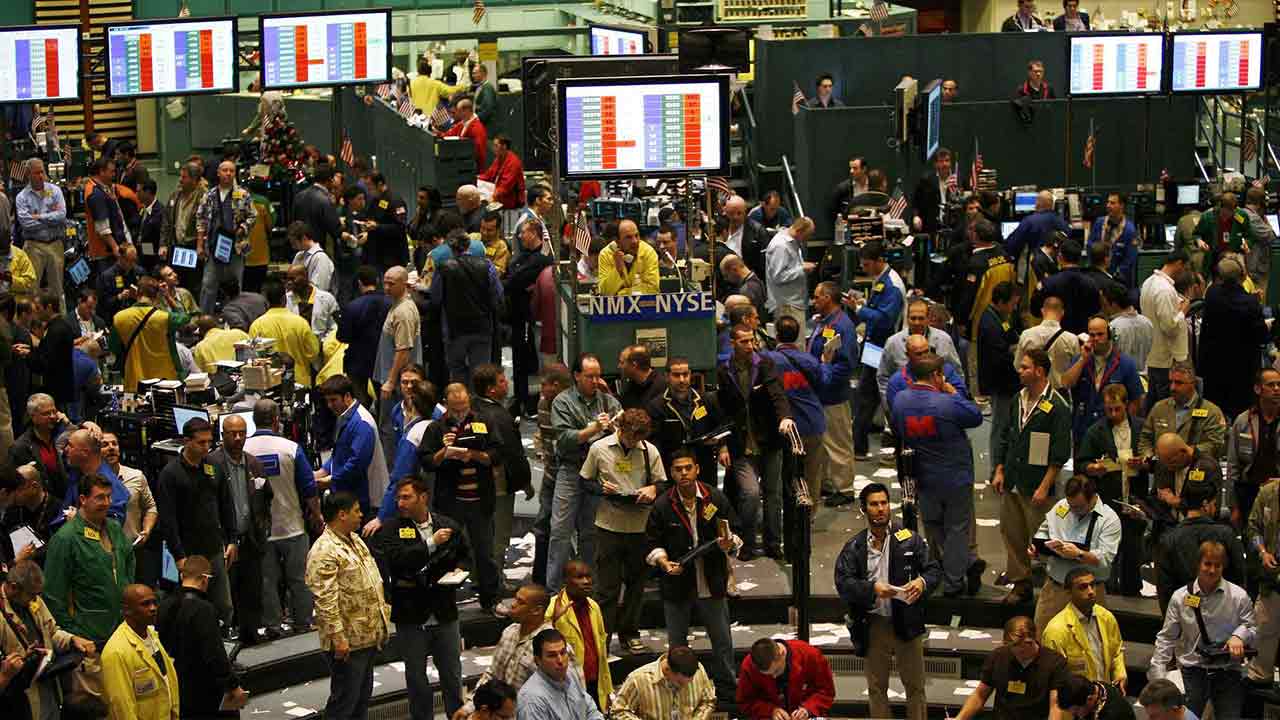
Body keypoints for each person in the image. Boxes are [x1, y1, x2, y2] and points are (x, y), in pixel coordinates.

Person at [834, 482, 940, 719]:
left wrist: (922, 582)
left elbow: (933, 570)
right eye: (874, 504)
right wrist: (872, 588)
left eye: (884, 503)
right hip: (874, 624)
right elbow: (844, 583)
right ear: (864, 509)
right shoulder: (855, 546)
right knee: (876, 688)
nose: (881, 508)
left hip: (907, 619)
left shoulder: (909, 539)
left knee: (915, 686)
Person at [645, 449, 741, 698]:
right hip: (677, 581)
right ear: (671, 473)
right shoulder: (663, 505)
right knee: (677, 643)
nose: (684, 473)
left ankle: (727, 687)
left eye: (688, 468)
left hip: (711, 578)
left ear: (697, 469)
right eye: (678, 469)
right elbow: (652, 542)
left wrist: (729, 543)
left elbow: (735, 531)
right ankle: (678, 690)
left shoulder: (715, 498)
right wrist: (663, 562)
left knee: (722, 639)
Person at [372, 477, 468, 719]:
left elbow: (466, 556)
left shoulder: (449, 525)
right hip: (411, 615)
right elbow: (399, 560)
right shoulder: (391, 529)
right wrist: (431, 543)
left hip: (444, 612)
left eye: (406, 497)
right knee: (416, 679)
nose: (400, 503)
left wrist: (460, 570)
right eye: (398, 498)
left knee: (452, 675)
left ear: (423, 497)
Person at [891, 354, 982, 597]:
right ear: (936, 376)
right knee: (957, 529)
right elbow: (975, 416)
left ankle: (954, 567)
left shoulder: (900, 401)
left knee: (933, 526)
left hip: (923, 476)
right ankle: (955, 581)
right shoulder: (947, 402)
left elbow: (897, 429)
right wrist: (953, 393)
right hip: (955, 477)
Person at [581, 408, 665, 654]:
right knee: (607, 588)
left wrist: (653, 489)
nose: (634, 442)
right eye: (630, 436)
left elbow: (662, 483)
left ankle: (630, 633)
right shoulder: (599, 448)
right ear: (620, 428)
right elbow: (585, 481)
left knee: (636, 586)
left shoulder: (650, 450)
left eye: (639, 437)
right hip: (609, 525)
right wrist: (600, 488)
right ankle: (603, 639)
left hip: (640, 526)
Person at [993, 349, 1072, 604]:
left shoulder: (1057, 406)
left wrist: (1045, 486)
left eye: (1025, 367)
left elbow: (1060, 453)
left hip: (1038, 484)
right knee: (1012, 534)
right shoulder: (1017, 399)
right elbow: (1004, 436)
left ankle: (1054, 587)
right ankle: (1021, 583)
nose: (1020, 371)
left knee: (1044, 540)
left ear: (1039, 371)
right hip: (1013, 480)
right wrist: (999, 469)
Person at [307, 491, 392, 718]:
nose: (361, 515)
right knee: (344, 704)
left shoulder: (355, 539)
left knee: (360, 702)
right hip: (347, 643)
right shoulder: (324, 551)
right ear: (342, 514)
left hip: (366, 636)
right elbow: (325, 601)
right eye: (356, 511)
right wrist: (339, 639)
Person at [1149, 540, 1256, 720]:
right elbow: (1167, 637)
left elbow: (1252, 627)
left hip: (1228, 670)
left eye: (1217, 565)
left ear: (1223, 567)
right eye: (1207, 564)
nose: (1212, 570)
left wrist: (1239, 636)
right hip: (1193, 670)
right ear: (1198, 564)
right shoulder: (1180, 597)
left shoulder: (1239, 596)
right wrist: (1158, 676)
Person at [418, 383, 502, 613]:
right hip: (450, 503)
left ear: (469, 401)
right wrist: (444, 452)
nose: (461, 411)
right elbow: (426, 461)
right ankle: (443, 603)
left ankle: (490, 600)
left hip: (480, 500)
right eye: (456, 408)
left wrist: (475, 454)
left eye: (464, 406)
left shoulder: (484, 421)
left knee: (485, 553)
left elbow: (497, 453)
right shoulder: (437, 428)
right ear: (446, 404)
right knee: (446, 553)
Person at [717, 325, 796, 559]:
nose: (750, 346)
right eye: (744, 342)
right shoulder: (724, 370)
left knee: (773, 494)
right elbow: (722, 411)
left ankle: (773, 544)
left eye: (752, 341)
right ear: (733, 343)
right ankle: (748, 543)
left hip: (769, 441)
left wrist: (785, 417)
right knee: (750, 494)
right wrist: (722, 444)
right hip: (741, 444)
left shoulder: (764, 364)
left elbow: (777, 393)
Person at [245, 398, 320, 636]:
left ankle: (273, 626)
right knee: (299, 579)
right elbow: (309, 489)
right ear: (277, 420)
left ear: (253, 421)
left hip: (260, 531)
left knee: (267, 581)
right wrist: (317, 515)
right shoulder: (291, 448)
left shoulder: (243, 450)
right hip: (292, 525)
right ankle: (303, 622)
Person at [547, 354, 621, 591]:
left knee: (591, 533)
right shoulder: (563, 402)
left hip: (598, 475)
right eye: (590, 376)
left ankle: (588, 589)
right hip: (572, 471)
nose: (595, 381)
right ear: (577, 376)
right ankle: (555, 590)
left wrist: (615, 428)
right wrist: (595, 428)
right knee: (560, 532)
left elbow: (623, 435)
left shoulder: (609, 402)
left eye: (598, 376)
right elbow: (565, 439)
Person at [455, 586, 581, 719]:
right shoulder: (509, 632)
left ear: (536, 610)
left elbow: (571, 695)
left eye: (521, 602)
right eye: (515, 599)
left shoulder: (554, 648)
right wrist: (469, 707)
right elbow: (493, 675)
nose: (513, 605)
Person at [44, 474, 135, 647]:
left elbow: (129, 563)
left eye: (109, 496)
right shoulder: (65, 539)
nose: (107, 503)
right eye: (100, 497)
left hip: (122, 629)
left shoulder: (114, 528)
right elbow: (53, 596)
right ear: (83, 499)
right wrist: (73, 633)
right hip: (89, 637)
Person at [1, 559, 97, 720]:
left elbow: (52, 632)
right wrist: (17, 664)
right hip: (19, 698)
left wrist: (72, 639)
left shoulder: (35, 599)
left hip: (48, 683)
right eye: (31, 595)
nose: (35, 600)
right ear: (13, 588)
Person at [157, 555, 249, 716]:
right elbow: (214, 654)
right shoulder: (204, 609)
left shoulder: (164, 605)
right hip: (202, 689)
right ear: (205, 580)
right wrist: (233, 685)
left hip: (174, 684)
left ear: (182, 576)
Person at [1029, 475, 1122, 633]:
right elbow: (1044, 531)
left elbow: (1105, 558)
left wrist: (1079, 554)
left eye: (1078, 507)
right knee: (1043, 638)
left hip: (1089, 592)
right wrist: (1036, 549)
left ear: (1093, 498)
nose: (1072, 510)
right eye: (1070, 505)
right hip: (1055, 589)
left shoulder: (1109, 519)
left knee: (1090, 642)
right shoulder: (1062, 507)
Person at [1076, 384, 1145, 595]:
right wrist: (1093, 468)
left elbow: (1154, 457)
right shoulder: (1096, 431)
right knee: (1107, 549)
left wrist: (1144, 462)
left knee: (1133, 549)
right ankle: (1106, 592)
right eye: (1109, 410)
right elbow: (1081, 463)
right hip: (1108, 499)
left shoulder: (1141, 428)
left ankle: (1132, 591)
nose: (1113, 414)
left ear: (1127, 405)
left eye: (1117, 409)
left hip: (1136, 497)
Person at [847, 241, 906, 461]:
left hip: (886, 348)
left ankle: (877, 446)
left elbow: (885, 320)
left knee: (881, 395)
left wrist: (859, 309)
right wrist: (864, 303)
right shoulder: (882, 279)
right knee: (867, 393)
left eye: (867, 264)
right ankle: (860, 445)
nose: (864, 269)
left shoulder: (892, 285)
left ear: (880, 260)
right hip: (874, 345)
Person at [1156, 477, 1245, 614]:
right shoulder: (1226, 535)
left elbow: (1165, 591)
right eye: (1214, 504)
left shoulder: (1168, 539)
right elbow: (1239, 579)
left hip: (1184, 614)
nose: (1215, 508)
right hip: (1223, 614)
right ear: (1205, 504)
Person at [953, 616, 1070, 720]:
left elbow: (1055, 706)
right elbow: (980, 695)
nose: (1015, 652)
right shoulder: (999, 656)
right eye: (1012, 647)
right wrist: (959, 718)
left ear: (1032, 641)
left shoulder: (1054, 663)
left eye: (1020, 648)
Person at [1200, 257, 1269, 422]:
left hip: (1215, 367)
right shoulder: (1250, 302)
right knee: (1242, 415)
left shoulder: (1212, 295)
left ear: (1220, 276)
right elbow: (1262, 336)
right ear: (1242, 276)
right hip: (1243, 370)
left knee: (1215, 415)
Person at [1060, 315, 1144, 442]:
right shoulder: (1081, 359)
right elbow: (1066, 383)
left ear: (1109, 335)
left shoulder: (1125, 363)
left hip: (1112, 429)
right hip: (1083, 429)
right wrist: (1082, 360)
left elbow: (1136, 400)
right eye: (1092, 335)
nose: (1096, 339)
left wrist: (1124, 425)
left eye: (1100, 334)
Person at [100, 584, 179, 720]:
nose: (153, 608)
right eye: (145, 604)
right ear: (127, 611)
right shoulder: (116, 652)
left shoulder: (150, 634)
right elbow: (122, 708)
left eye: (154, 602)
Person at [1041, 567, 1127, 689]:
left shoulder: (1106, 616)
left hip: (1106, 691)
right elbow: (1055, 676)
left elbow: (1116, 651)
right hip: (1075, 696)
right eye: (1083, 587)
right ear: (1068, 592)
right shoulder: (1055, 631)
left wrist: (1120, 674)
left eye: (1092, 585)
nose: (1091, 591)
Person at [316, 375, 390, 519]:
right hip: (352, 495)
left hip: (367, 501)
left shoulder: (361, 423)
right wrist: (323, 471)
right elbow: (340, 453)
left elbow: (356, 464)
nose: (329, 405)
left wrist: (331, 480)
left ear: (347, 396)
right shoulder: (345, 416)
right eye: (327, 401)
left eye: (333, 400)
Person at [432, 230, 502, 381]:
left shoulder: (443, 268)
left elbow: (436, 298)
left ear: (450, 247)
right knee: (480, 375)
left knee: (457, 373)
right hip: (482, 328)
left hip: (454, 330)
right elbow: (497, 295)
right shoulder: (487, 266)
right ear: (469, 245)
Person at [546, 561, 612, 708]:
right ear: (565, 580)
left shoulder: (594, 607)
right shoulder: (552, 607)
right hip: (566, 686)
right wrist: (554, 619)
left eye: (588, 576)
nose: (586, 581)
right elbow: (539, 643)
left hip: (594, 683)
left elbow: (601, 654)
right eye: (579, 577)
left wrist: (607, 691)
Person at [194, 160, 256, 313]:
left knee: (236, 286)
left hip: (236, 248)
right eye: (225, 170)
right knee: (208, 285)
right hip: (213, 248)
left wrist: (242, 228)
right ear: (218, 173)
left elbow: (253, 216)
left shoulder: (243, 195)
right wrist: (199, 245)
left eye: (231, 171)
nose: (228, 173)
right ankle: (205, 318)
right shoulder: (209, 195)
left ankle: (236, 316)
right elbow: (201, 220)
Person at [1139, 361, 1227, 462]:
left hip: (1195, 467)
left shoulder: (1211, 412)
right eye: (1171, 382)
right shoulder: (1159, 408)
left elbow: (1215, 444)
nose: (1172, 387)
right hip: (1161, 468)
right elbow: (1145, 438)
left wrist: (1188, 452)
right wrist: (1148, 458)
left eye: (1178, 383)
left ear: (1192, 384)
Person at [735, 637, 835, 720]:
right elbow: (745, 701)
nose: (774, 677)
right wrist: (770, 711)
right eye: (767, 675)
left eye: (776, 671)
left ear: (782, 653)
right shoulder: (749, 666)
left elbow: (826, 691)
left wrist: (808, 709)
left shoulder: (810, 655)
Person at [978, 281, 1022, 465]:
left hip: (1005, 383)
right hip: (1001, 384)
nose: (1014, 308)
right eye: (1013, 303)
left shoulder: (999, 317)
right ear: (1002, 302)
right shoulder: (990, 324)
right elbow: (1000, 356)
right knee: (1000, 428)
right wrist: (1015, 353)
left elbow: (1011, 336)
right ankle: (996, 468)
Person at [1142, 250, 1192, 410]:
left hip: (1154, 355)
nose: (1184, 273)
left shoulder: (1148, 283)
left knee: (1154, 405)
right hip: (1166, 359)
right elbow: (1169, 327)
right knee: (1167, 408)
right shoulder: (1164, 290)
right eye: (1185, 268)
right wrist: (1183, 311)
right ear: (1179, 264)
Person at [517, 629, 604, 720]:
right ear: (537, 660)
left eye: (563, 653)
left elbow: (590, 709)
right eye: (552, 655)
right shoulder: (531, 700)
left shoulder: (570, 674)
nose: (560, 660)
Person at [16, 158, 68, 306]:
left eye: (42, 172)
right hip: (33, 246)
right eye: (37, 173)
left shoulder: (55, 190)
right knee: (31, 289)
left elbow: (62, 215)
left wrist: (39, 217)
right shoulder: (22, 197)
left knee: (57, 290)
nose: (41, 176)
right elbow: (26, 223)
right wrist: (51, 219)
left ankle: (60, 318)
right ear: (28, 174)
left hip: (55, 244)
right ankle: (33, 320)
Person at [613, 645, 716, 720]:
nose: (685, 686)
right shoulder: (638, 679)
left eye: (690, 682)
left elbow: (708, 701)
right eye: (680, 683)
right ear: (667, 669)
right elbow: (618, 711)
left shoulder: (699, 670)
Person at [248, 280, 319, 386]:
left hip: (270, 382)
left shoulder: (256, 326)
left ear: (266, 301)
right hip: (300, 381)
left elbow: (254, 358)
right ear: (284, 299)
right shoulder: (300, 322)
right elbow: (313, 353)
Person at [0, 464, 60, 565]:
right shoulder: (12, 509)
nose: (16, 494)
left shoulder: (58, 510)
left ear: (34, 487)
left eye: (20, 489)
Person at [1016, 295, 1080, 390]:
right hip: (1060, 394)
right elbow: (1076, 373)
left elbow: (1018, 366)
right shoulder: (1072, 339)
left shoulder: (1026, 335)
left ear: (1042, 311)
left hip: (1032, 392)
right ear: (1062, 313)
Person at [763, 217, 815, 333]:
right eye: (806, 236)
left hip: (795, 303)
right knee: (793, 342)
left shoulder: (793, 242)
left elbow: (790, 267)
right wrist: (802, 269)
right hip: (786, 306)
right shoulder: (780, 246)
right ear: (799, 231)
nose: (807, 239)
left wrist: (801, 266)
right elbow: (777, 276)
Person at [28, 290, 77, 408]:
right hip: (59, 390)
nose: (36, 312)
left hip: (57, 392)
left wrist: (28, 355)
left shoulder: (56, 330)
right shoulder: (58, 326)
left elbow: (46, 362)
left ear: (49, 307)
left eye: (38, 308)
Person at [84, 158, 130, 275]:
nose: (114, 175)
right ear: (101, 171)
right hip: (106, 252)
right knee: (110, 282)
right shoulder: (96, 194)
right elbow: (102, 228)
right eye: (112, 172)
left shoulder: (99, 187)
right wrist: (115, 247)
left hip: (109, 250)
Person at [1194, 192, 1255, 278]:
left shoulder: (1240, 216)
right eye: (1225, 214)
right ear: (1220, 206)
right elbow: (1196, 234)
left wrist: (1247, 244)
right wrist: (1199, 241)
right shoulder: (1207, 217)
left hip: (1234, 258)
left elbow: (1250, 236)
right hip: (1213, 258)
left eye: (1231, 213)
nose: (1227, 216)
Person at [597, 219, 659, 296]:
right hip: (615, 304)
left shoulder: (648, 252)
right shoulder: (605, 254)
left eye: (636, 235)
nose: (635, 241)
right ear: (617, 241)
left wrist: (621, 293)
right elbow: (604, 292)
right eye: (628, 237)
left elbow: (653, 289)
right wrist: (618, 270)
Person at [1089, 192, 1138, 287]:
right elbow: (1090, 244)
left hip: (1118, 280)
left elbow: (1129, 259)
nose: (1108, 205)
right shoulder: (1099, 223)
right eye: (1108, 202)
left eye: (1112, 203)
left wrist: (1113, 277)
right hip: (1097, 274)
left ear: (1121, 206)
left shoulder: (1129, 230)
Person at [285, 262, 340, 346]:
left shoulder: (327, 298)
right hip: (296, 347)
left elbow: (334, 326)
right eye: (287, 279)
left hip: (322, 346)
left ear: (305, 277)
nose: (289, 282)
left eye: (292, 279)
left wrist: (325, 342)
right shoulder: (286, 299)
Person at [911, 148, 956, 236]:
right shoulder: (926, 180)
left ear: (951, 163)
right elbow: (916, 202)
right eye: (941, 161)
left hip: (952, 226)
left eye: (947, 161)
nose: (944, 164)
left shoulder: (957, 179)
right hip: (932, 226)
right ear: (935, 164)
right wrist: (915, 216)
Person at [1056, 675, 1135, 720]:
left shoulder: (1113, 715)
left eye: (1076, 712)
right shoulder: (1096, 687)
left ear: (1089, 699)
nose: (1077, 716)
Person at [441, 98, 488, 172]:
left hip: (471, 168)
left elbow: (479, 152)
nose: (458, 114)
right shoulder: (463, 123)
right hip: (460, 163)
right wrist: (437, 133)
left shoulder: (477, 128)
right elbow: (448, 135)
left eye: (460, 111)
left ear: (467, 111)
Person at [479, 135, 526, 210]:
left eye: (496, 146)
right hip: (498, 192)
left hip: (511, 199)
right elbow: (488, 175)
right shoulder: (499, 158)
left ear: (504, 146)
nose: (493, 148)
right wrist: (476, 179)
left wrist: (492, 197)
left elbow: (505, 187)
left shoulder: (513, 162)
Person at [96, 243, 141, 320]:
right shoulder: (107, 276)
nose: (132, 264)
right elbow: (103, 304)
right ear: (120, 258)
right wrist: (119, 297)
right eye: (129, 260)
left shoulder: (138, 271)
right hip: (115, 316)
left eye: (134, 260)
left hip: (135, 315)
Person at [288, 220, 335, 294]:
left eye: (294, 243)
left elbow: (319, 290)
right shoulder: (299, 255)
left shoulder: (320, 258)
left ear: (304, 238)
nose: (293, 247)